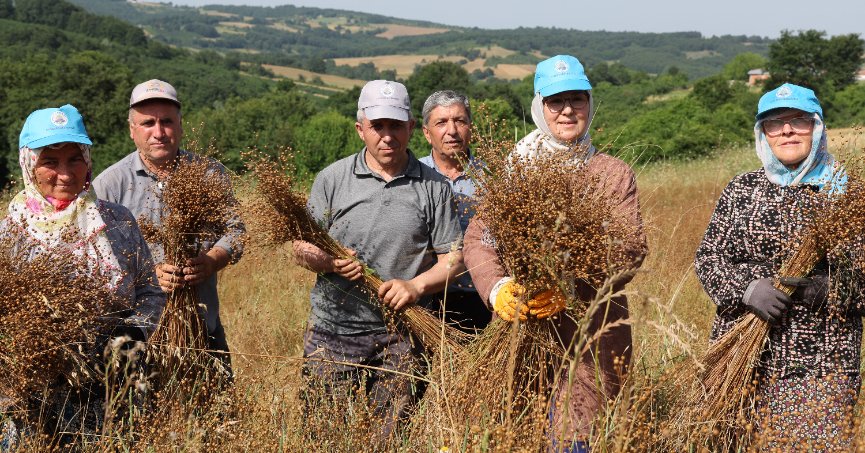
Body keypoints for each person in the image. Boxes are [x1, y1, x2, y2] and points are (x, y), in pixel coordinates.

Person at [463, 55, 646, 451]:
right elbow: (478, 241)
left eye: (577, 100)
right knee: (517, 435)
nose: (567, 110)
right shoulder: (515, 171)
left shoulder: (612, 174)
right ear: (539, 107)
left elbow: (629, 248)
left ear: (590, 105)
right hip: (522, 333)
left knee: (573, 440)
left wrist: (567, 282)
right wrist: (499, 289)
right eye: (555, 101)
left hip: (591, 338)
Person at [292, 80, 463, 441]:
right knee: (324, 437)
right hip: (333, 333)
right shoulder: (332, 179)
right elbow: (300, 248)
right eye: (377, 126)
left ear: (411, 128)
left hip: (402, 338)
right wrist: (326, 261)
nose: (387, 136)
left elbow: (454, 258)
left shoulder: (433, 187)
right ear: (360, 129)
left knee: (391, 438)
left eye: (396, 126)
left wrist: (416, 286)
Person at [694, 83, 863, 449]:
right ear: (763, 134)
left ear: (817, 127)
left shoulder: (850, 193)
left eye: (798, 120)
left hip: (823, 362)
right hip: (742, 355)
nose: (786, 130)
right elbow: (708, 257)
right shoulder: (742, 188)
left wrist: (832, 290)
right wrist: (747, 288)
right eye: (774, 123)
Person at [0, 105, 165, 446]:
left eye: (75, 158)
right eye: (50, 161)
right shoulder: (10, 234)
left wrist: (130, 333)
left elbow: (150, 291)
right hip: (36, 391)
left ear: (88, 160)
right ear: (30, 164)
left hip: (115, 383)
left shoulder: (116, 222)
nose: (65, 173)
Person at [92, 79, 245, 378]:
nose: (158, 132)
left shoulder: (209, 174)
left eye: (167, 122)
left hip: (202, 327)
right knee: (139, 420)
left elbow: (236, 231)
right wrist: (146, 276)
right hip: (135, 334)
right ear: (131, 129)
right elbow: (97, 260)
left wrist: (213, 260)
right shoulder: (109, 185)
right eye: (148, 123)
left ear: (180, 125)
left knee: (214, 417)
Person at [418, 90, 492, 333]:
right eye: (441, 122)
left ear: (470, 127)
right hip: (425, 299)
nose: (452, 130)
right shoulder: (412, 178)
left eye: (459, 121)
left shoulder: (493, 179)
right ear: (427, 133)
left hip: (482, 298)